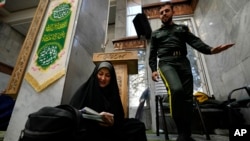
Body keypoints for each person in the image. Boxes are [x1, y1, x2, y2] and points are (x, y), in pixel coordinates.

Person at [148, 2, 234, 141]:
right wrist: (153, 70)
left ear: (173, 12)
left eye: (166, 11)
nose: (164, 14)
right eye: (161, 12)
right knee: (176, 90)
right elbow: (152, 54)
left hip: (183, 62)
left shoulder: (182, 29)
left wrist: (211, 50)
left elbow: (195, 41)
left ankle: (186, 134)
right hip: (166, 63)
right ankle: (180, 131)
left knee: (187, 100)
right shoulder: (156, 34)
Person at [70, 61, 147, 141]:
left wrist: (112, 122)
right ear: (95, 74)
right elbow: (73, 114)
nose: (103, 78)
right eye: (100, 74)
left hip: (110, 129)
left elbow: (119, 118)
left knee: (138, 126)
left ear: (111, 78)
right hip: (90, 128)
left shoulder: (112, 92)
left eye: (107, 75)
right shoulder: (84, 91)